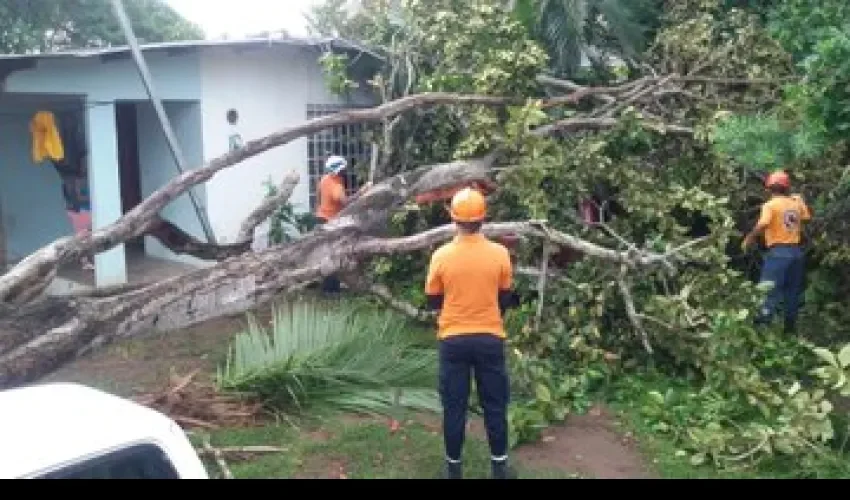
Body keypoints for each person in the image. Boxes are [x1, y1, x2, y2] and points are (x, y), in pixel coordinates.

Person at [424, 187, 519, 480]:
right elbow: (504, 299)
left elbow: (433, 301)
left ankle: (453, 470)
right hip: (490, 338)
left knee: (455, 406)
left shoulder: (441, 256)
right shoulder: (500, 254)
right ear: (483, 219)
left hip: (453, 340)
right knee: (494, 404)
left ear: (453, 218)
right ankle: (500, 467)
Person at [742, 170, 812, 333]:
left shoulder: (770, 205)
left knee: (768, 291)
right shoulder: (795, 203)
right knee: (792, 291)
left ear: (769, 188)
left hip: (778, 253)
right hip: (796, 254)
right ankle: (790, 330)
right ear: (787, 188)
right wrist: (800, 200)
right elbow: (807, 218)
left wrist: (749, 238)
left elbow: (763, 224)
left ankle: (760, 329)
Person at [315, 155, 371, 293]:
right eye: (344, 169)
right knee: (334, 255)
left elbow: (318, 195)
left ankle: (330, 286)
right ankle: (331, 289)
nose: (345, 171)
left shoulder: (324, 180)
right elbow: (345, 202)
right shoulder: (337, 185)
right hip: (332, 222)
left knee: (327, 254)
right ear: (339, 170)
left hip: (322, 219)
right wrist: (362, 192)